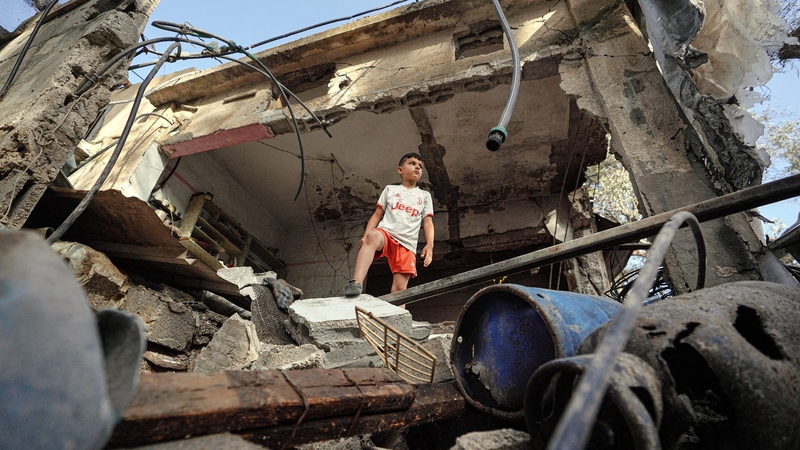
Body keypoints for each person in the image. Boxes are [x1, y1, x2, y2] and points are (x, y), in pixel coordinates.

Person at [344, 152, 434, 297]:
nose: (417, 168)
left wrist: (430, 245)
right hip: (387, 233)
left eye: (420, 166)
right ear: (400, 170)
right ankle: (356, 283)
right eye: (412, 164)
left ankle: (401, 317)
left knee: (400, 288)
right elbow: (377, 215)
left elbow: (428, 222)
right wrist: (366, 235)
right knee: (373, 236)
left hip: (407, 244)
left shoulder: (424, 196)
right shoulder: (390, 190)